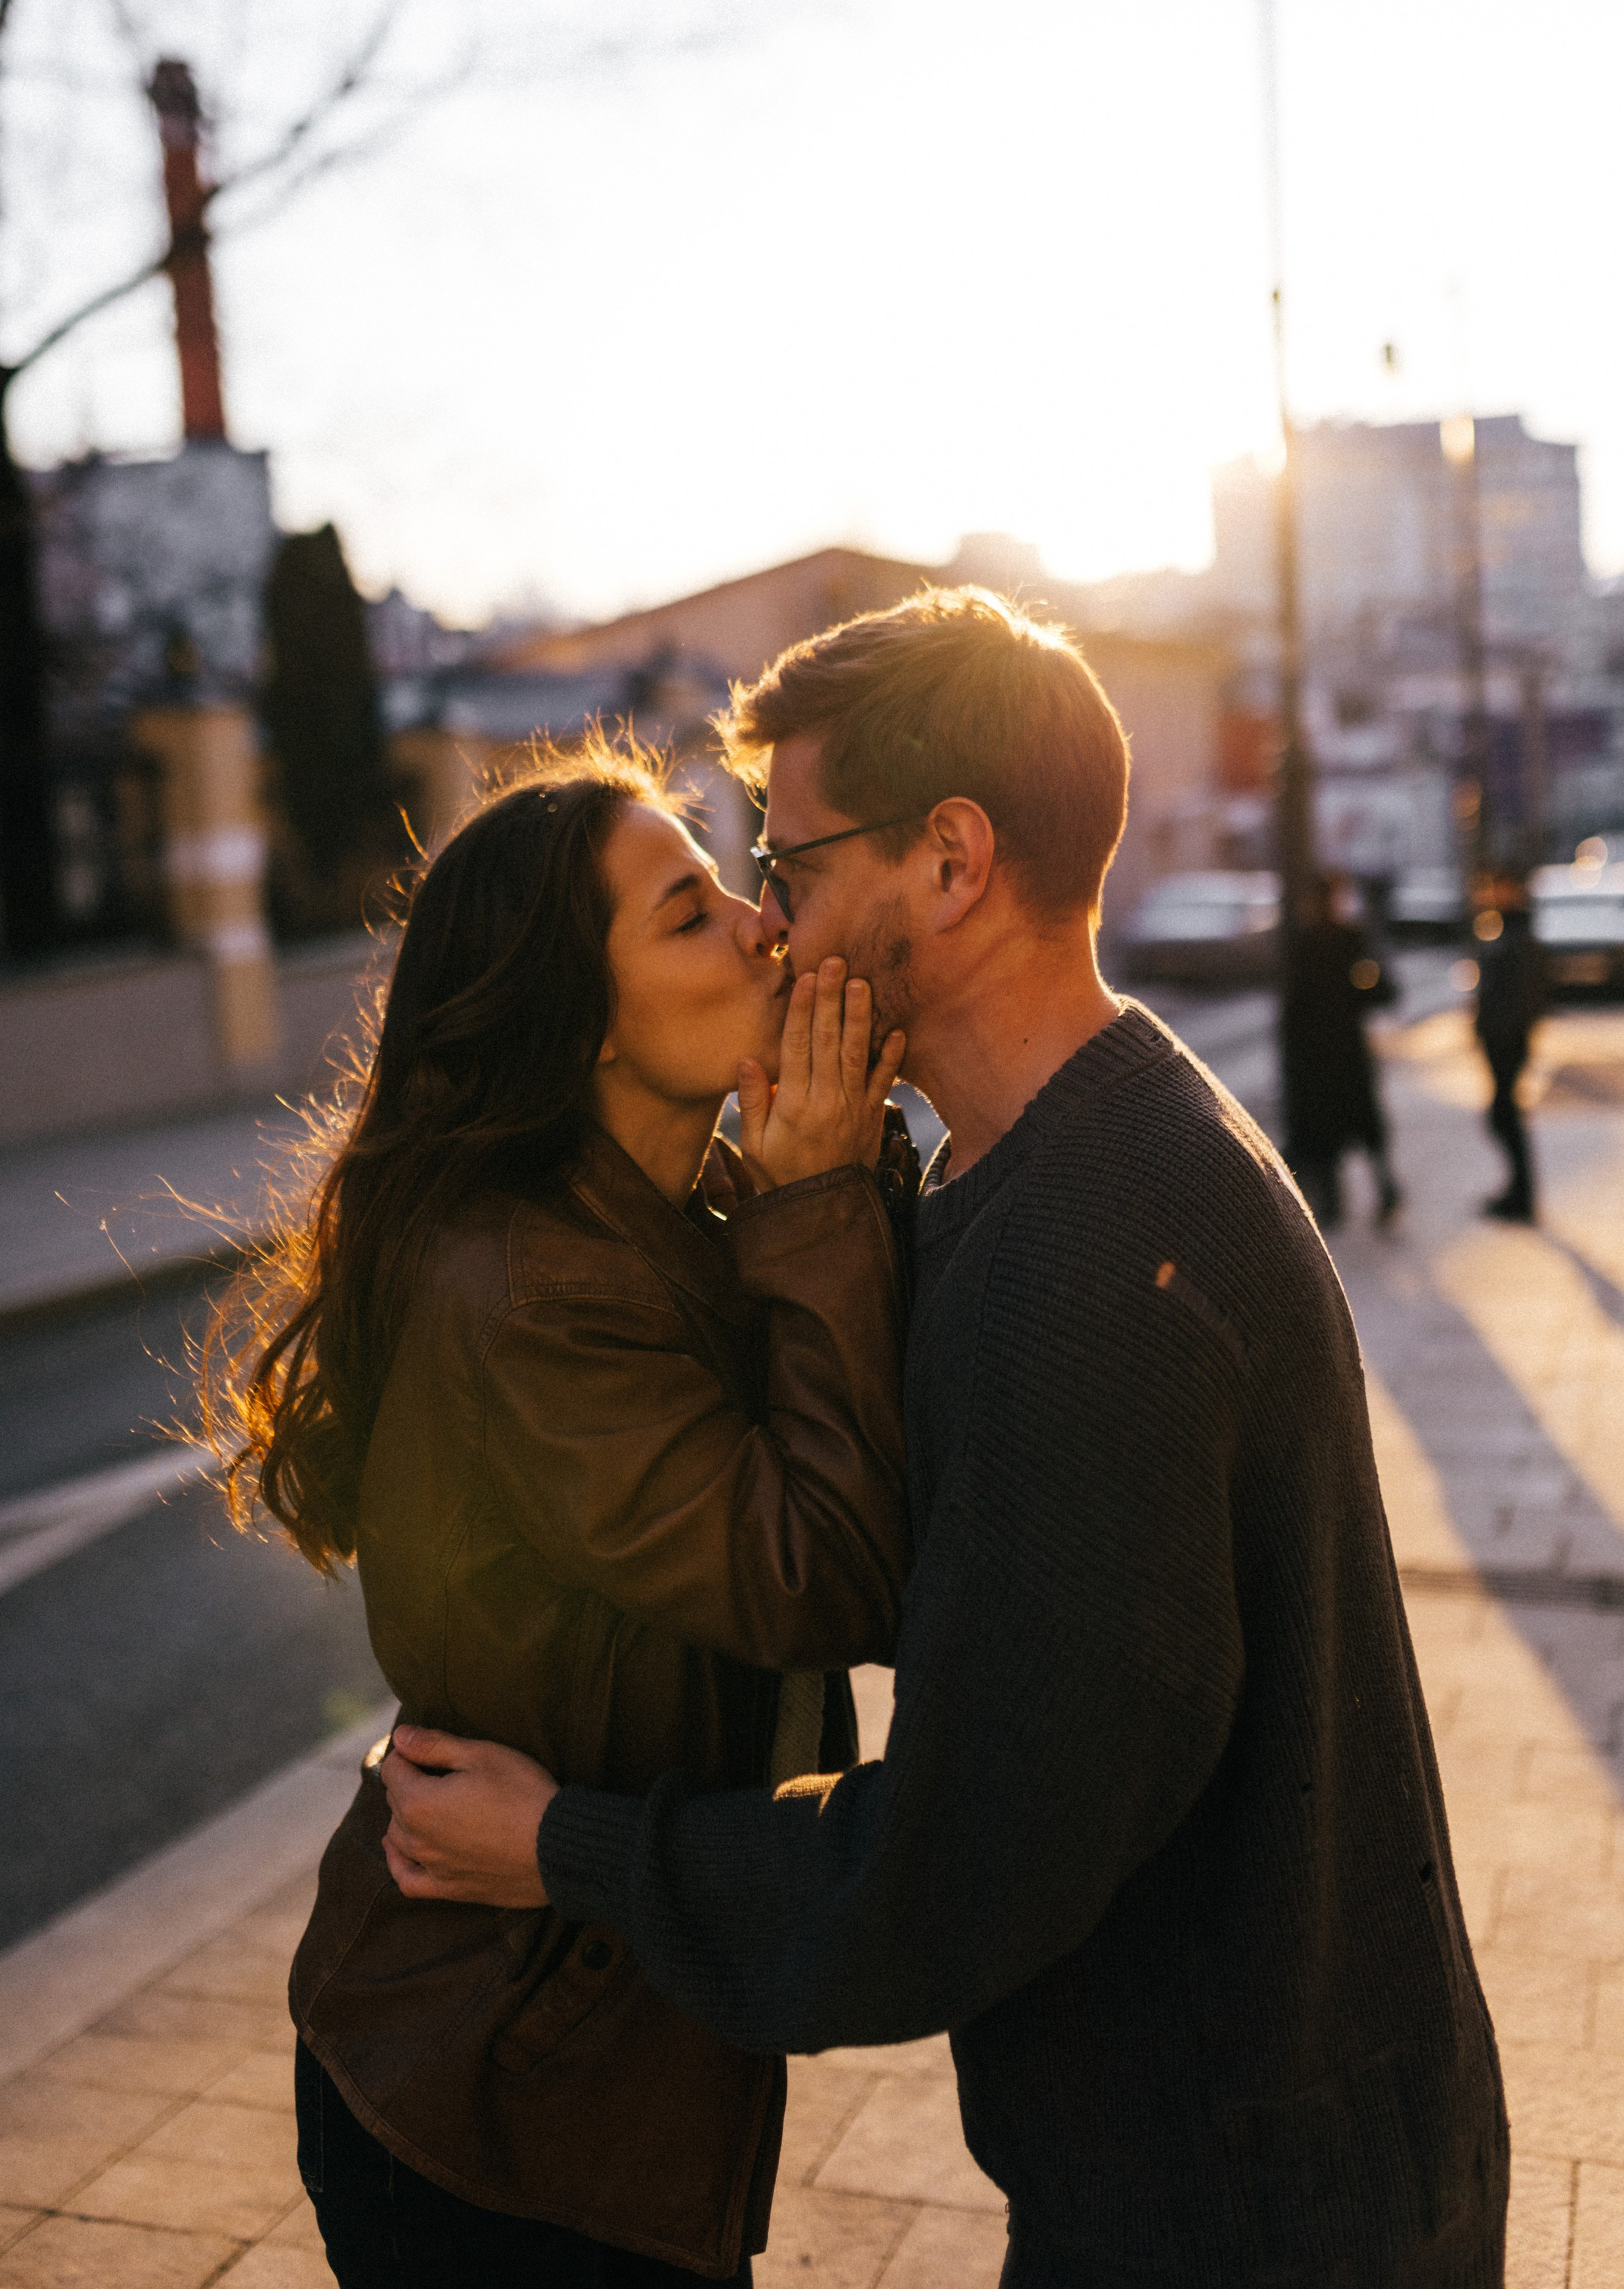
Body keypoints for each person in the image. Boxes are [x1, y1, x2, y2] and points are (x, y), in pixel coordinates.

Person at [381, 590, 1509, 2289]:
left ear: (953, 865)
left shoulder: (1095, 1257)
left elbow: (949, 1872)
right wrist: (819, 1192)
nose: (770, 921)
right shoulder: (1075, 1155)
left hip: (1244, 2219)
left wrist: (563, 1845)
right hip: (1271, 2161)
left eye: (793, 863)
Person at [202, 738, 918, 2286]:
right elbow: (822, 1576)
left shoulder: (691, 1210)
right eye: (685, 913)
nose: (759, 922)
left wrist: (833, 1175)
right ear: (577, 1027)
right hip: (493, 2101)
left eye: (731, 882)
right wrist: (821, 1198)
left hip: (587, 2057)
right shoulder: (530, 1285)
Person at [1279, 870, 1401, 1229]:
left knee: (1330, 1129)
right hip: (1343, 1054)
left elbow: (1292, 1012)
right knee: (1357, 1126)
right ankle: (1375, 1190)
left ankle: (1347, 1199)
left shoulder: (1322, 943)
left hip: (1324, 1057)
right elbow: (1380, 992)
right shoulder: (1346, 940)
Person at [1473, 871, 1547, 1224]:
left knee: (1503, 1114)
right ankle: (1519, 1192)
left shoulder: (1519, 933)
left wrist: (1504, 1030)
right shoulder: (1501, 928)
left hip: (1509, 1040)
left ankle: (1522, 1195)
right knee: (1504, 1114)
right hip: (1499, 1037)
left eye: (1497, 886)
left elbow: (1528, 994)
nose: (1491, 892)